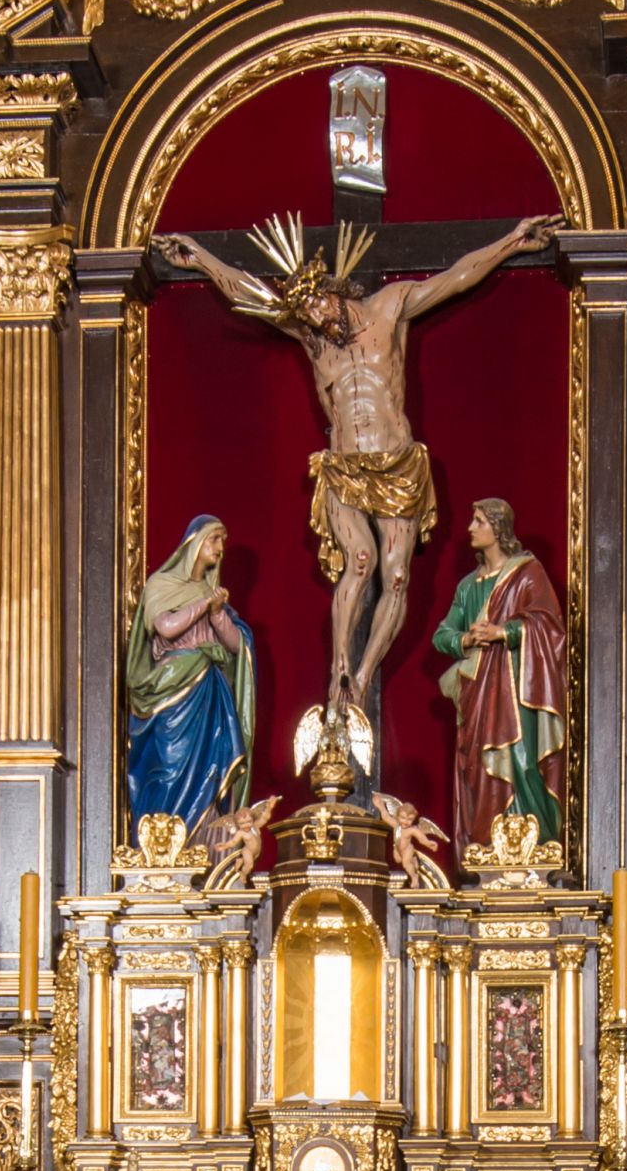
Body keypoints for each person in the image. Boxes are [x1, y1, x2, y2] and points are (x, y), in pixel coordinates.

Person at [156, 206, 557, 729]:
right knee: (360, 560)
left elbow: (456, 277)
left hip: (397, 464)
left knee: (396, 574)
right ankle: (340, 666)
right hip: (345, 466)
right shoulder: (314, 338)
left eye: (323, 310)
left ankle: (364, 674)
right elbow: (248, 293)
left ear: (335, 290)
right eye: (312, 319)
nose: (323, 324)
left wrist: (511, 242)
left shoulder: (390, 307)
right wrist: (204, 260)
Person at [430, 497, 568, 853]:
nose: (470, 528)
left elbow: (551, 627)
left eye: (479, 521)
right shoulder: (468, 586)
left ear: (498, 527)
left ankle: (532, 846)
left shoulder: (528, 573)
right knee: (480, 771)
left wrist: (504, 632)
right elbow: (441, 636)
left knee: (522, 761)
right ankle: (486, 845)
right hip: (478, 691)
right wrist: (467, 638)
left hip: (519, 689)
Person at [123, 514, 257, 839]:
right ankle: (162, 843)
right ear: (195, 542)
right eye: (215, 539)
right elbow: (166, 626)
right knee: (169, 766)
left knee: (210, 765)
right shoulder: (161, 584)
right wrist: (204, 604)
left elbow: (236, 646)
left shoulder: (211, 593)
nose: (221, 548)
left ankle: (204, 840)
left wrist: (217, 612)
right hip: (170, 691)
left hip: (208, 693)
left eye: (223, 541)